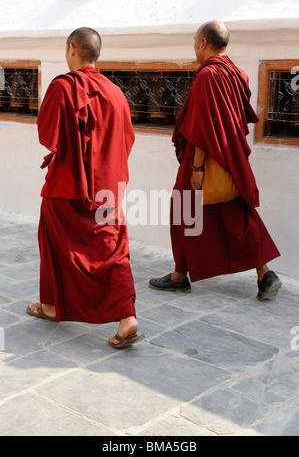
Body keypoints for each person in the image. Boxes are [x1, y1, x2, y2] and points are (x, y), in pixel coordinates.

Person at [27, 27, 143, 348]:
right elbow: (126, 141)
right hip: (108, 189)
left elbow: (49, 135)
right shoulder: (117, 93)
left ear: (72, 50)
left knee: (52, 240)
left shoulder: (63, 87)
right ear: (98, 55)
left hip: (67, 187)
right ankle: (127, 317)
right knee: (114, 251)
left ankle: (51, 306)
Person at [149, 20, 282, 301]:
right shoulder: (238, 74)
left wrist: (197, 168)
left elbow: (203, 126)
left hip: (204, 158)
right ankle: (264, 273)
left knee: (183, 212)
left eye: (195, 43)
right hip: (228, 158)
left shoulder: (209, 76)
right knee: (234, 216)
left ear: (202, 43)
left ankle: (178, 277)